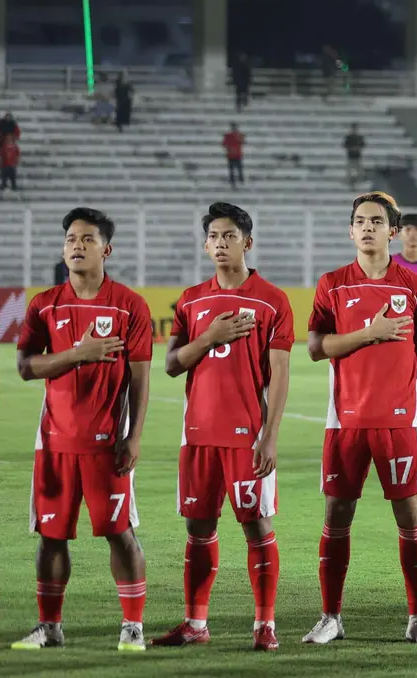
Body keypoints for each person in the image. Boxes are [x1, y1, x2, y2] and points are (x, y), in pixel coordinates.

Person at [302, 191, 417, 645]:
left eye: (376, 221)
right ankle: (330, 616)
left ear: (393, 232)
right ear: (350, 230)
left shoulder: (416, 287)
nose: (367, 227)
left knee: (410, 515)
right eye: (359, 221)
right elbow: (314, 347)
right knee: (337, 514)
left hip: (402, 421)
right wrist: (369, 333)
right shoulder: (332, 284)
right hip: (344, 420)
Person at [151, 202, 293, 651]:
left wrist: (269, 436)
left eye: (229, 236)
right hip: (197, 434)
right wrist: (209, 337)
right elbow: (172, 363)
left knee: (257, 527)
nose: (220, 244)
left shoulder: (272, 300)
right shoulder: (192, 300)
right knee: (198, 528)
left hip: (246, 435)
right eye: (213, 236)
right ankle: (195, 623)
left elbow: (280, 373)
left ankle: (264, 625)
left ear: (247, 242)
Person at [12, 207, 153, 651]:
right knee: (52, 534)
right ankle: (49, 627)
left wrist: (133, 436)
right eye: (71, 238)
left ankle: (133, 626)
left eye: (87, 239)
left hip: (107, 442)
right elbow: (25, 368)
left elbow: (140, 377)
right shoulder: (43, 305)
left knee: (119, 531)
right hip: (54, 441)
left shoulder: (130, 305)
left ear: (106, 249)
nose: (76, 245)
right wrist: (78, 353)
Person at [223, 124, 245, 189]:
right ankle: (233, 180)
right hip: (231, 155)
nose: (234, 129)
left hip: (237, 154)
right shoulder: (228, 136)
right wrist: (229, 148)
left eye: (235, 128)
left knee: (239, 168)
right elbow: (224, 143)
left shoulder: (239, 135)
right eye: (233, 128)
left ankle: (241, 179)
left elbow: (242, 141)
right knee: (232, 169)